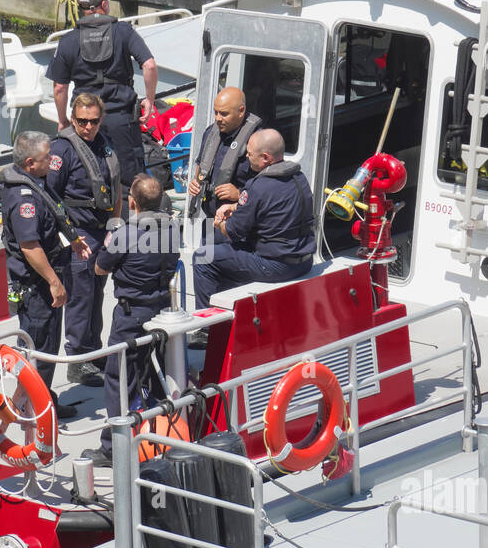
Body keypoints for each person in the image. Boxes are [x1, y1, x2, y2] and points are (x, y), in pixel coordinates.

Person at [80, 174, 181, 466]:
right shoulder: (174, 229)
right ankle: (164, 435)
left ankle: (113, 448)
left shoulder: (124, 233)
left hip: (130, 314)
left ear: (133, 203)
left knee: (118, 378)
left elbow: (100, 268)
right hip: (162, 311)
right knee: (158, 373)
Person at [1, 131, 92, 418]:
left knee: (48, 347)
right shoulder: (23, 199)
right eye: (46, 157)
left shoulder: (38, 182)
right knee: (37, 349)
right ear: (30, 163)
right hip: (37, 287)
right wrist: (55, 283)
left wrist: (74, 240)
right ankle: (23, 407)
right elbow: (30, 247)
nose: (53, 160)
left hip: (48, 279)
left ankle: (43, 400)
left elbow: (55, 216)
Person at [192, 128, 316, 315]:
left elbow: (233, 231)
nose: (247, 157)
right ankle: (233, 305)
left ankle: (205, 326)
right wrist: (235, 207)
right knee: (220, 248)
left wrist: (218, 223)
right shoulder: (299, 177)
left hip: (277, 266)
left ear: (265, 158)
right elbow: (272, 207)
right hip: (304, 260)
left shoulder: (257, 186)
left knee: (203, 255)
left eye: (250, 154)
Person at [47, 0, 158, 186]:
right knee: (131, 180)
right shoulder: (124, 32)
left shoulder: (68, 41)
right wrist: (149, 100)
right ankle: (128, 215)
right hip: (121, 119)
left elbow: (59, 87)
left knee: (87, 177)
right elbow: (149, 65)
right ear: (105, 5)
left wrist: (63, 120)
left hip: (84, 122)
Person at [45, 92, 121, 388]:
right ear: (72, 119)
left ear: (100, 119)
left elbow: (115, 188)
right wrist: (69, 236)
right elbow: (51, 197)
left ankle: (92, 351)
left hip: (104, 230)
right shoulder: (62, 150)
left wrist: (115, 226)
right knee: (80, 297)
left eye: (92, 121)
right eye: (81, 121)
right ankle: (77, 360)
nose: (87, 127)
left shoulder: (104, 145)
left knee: (97, 293)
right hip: (78, 234)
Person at [185, 86, 262, 221]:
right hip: (210, 219)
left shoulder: (257, 141)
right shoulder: (211, 133)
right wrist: (195, 182)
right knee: (207, 242)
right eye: (216, 112)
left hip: (237, 223)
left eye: (224, 114)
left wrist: (239, 194)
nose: (218, 118)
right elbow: (201, 164)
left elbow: (267, 188)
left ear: (241, 111)